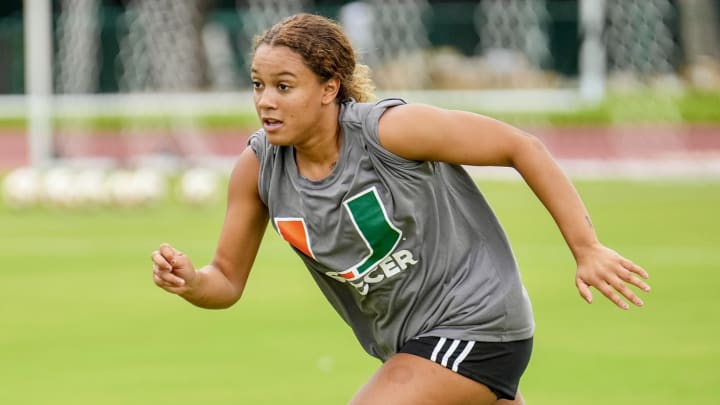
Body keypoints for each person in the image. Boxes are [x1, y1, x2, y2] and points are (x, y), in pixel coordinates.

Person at [151, 13, 651, 405]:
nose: (266, 101)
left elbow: (522, 147)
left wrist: (586, 248)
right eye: (258, 85)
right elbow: (227, 281)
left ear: (330, 88)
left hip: (475, 322)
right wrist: (192, 281)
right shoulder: (258, 168)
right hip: (416, 347)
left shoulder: (389, 132)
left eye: (284, 86)